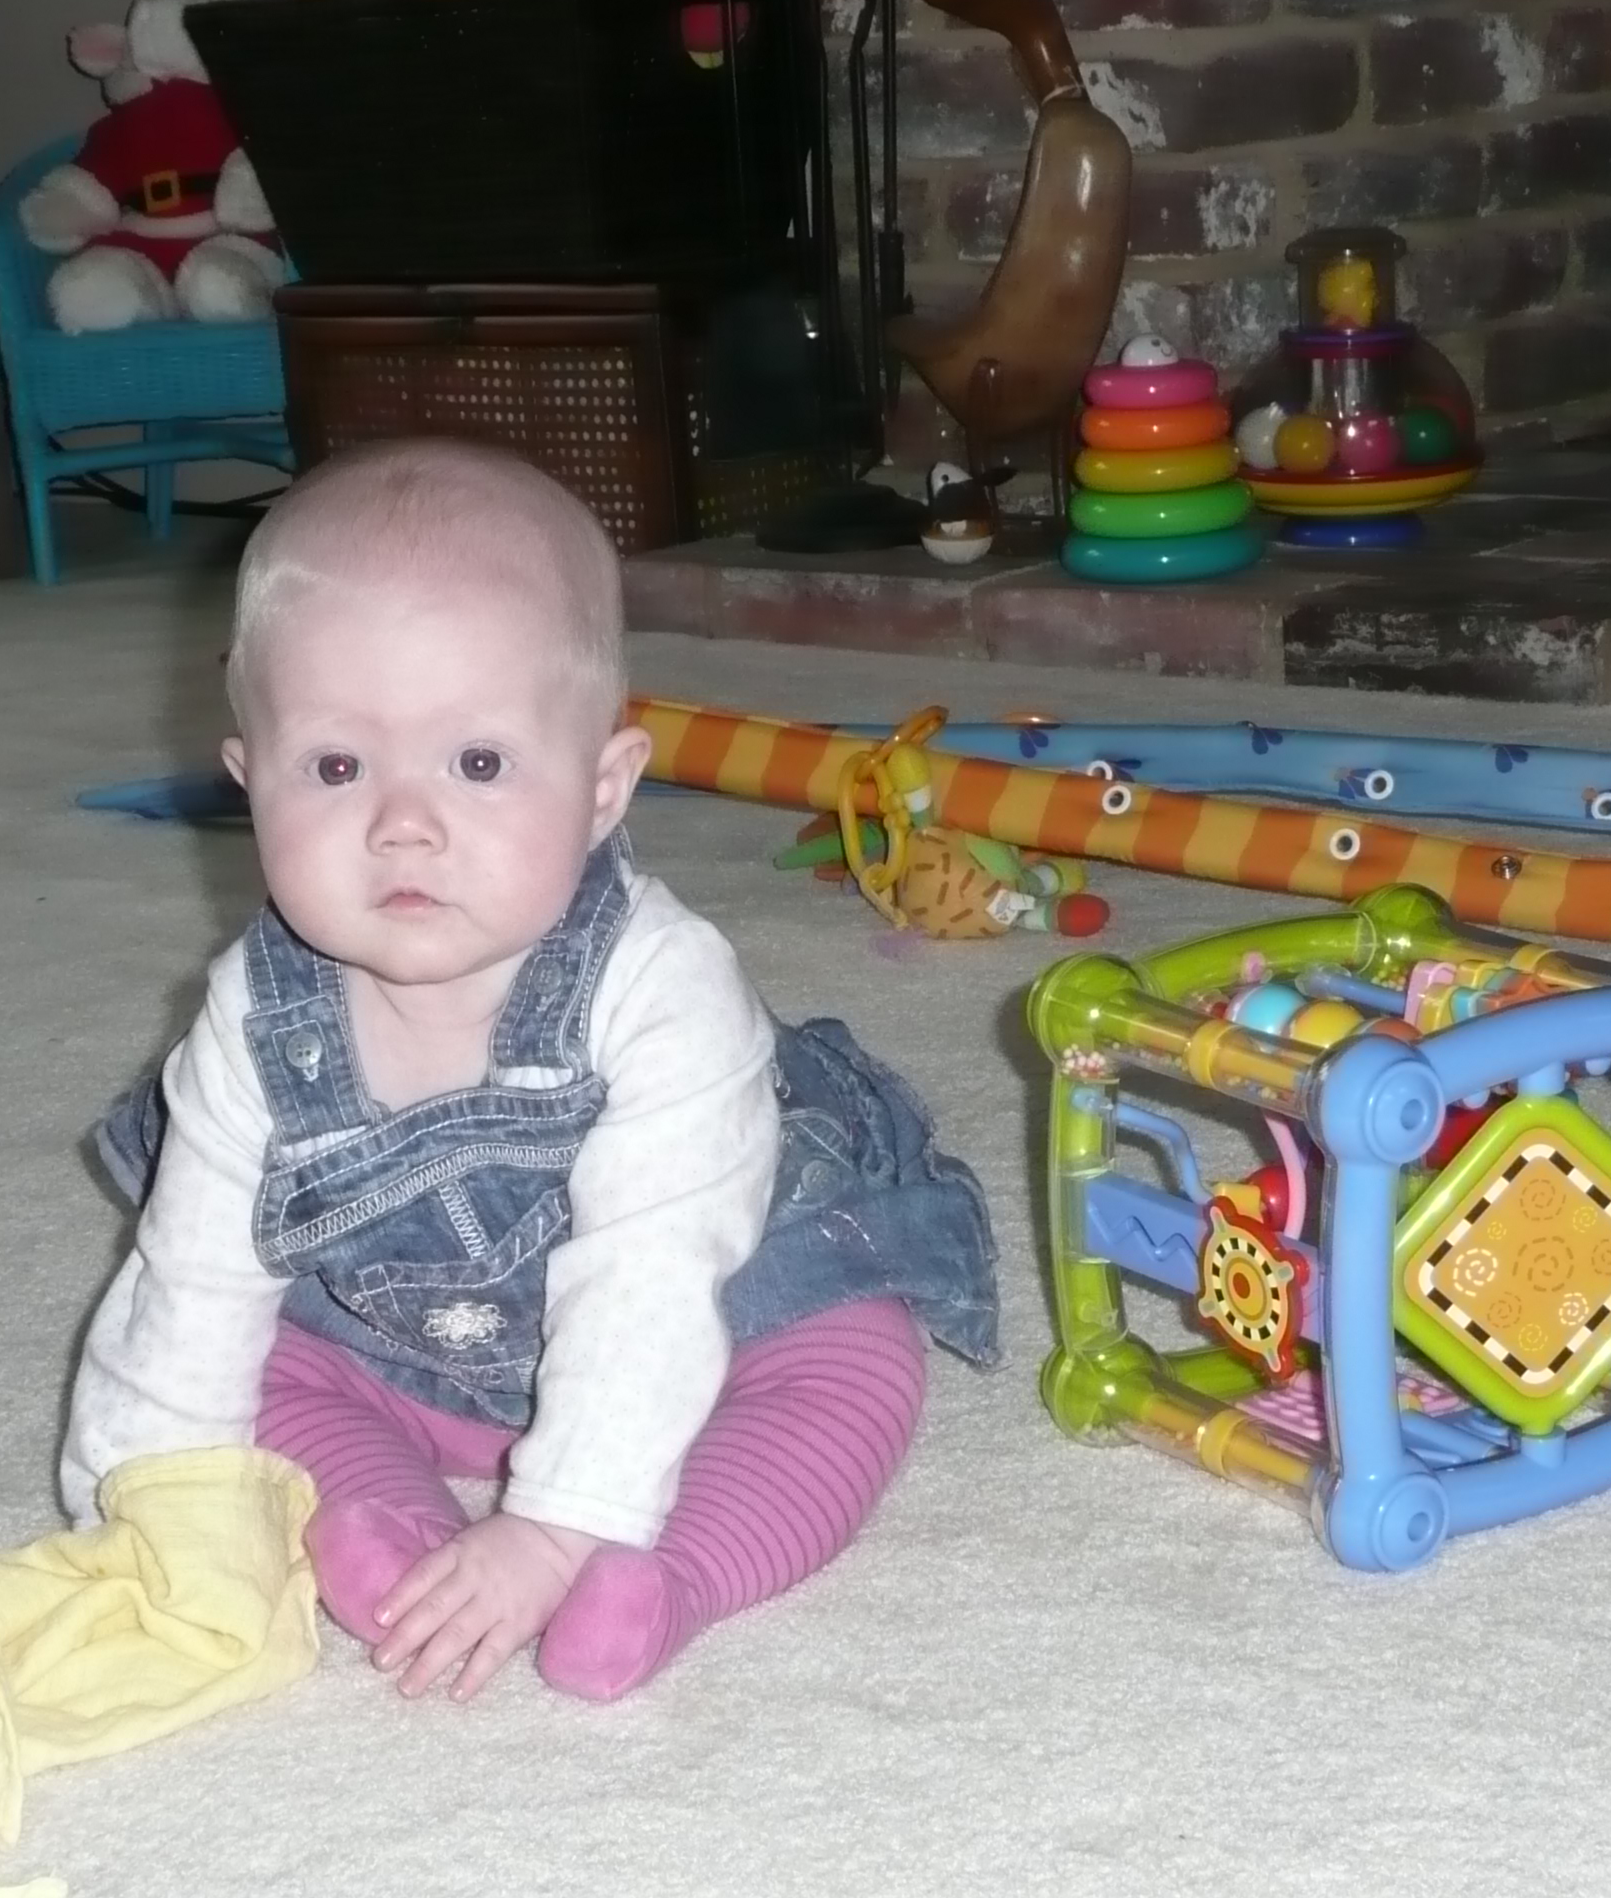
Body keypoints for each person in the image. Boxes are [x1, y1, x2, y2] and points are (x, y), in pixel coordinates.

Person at [63, 440, 997, 1703]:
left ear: (604, 788)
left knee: (856, 1357)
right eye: (335, 767)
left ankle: (673, 1574)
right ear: (249, 781)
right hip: (406, 1345)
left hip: (717, 1314)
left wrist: (558, 1524)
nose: (403, 823)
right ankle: (403, 1539)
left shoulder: (662, 990)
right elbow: (192, 1280)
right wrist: (145, 1504)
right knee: (261, 1369)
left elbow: (652, 1277)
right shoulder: (253, 1016)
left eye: (480, 763)